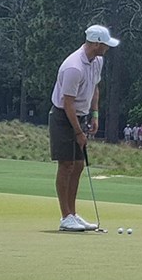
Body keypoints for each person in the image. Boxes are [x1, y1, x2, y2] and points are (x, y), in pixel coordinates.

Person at [48, 24, 120, 231]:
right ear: (96, 43)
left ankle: (73, 213)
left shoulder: (98, 61)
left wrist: (94, 114)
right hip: (63, 116)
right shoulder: (73, 67)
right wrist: (78, 132)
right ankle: (65, 217)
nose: (107, 48)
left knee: (79, 165)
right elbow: (67, 102)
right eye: (105, 45)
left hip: (80, 114)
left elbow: (94, 88)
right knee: (66, 164)